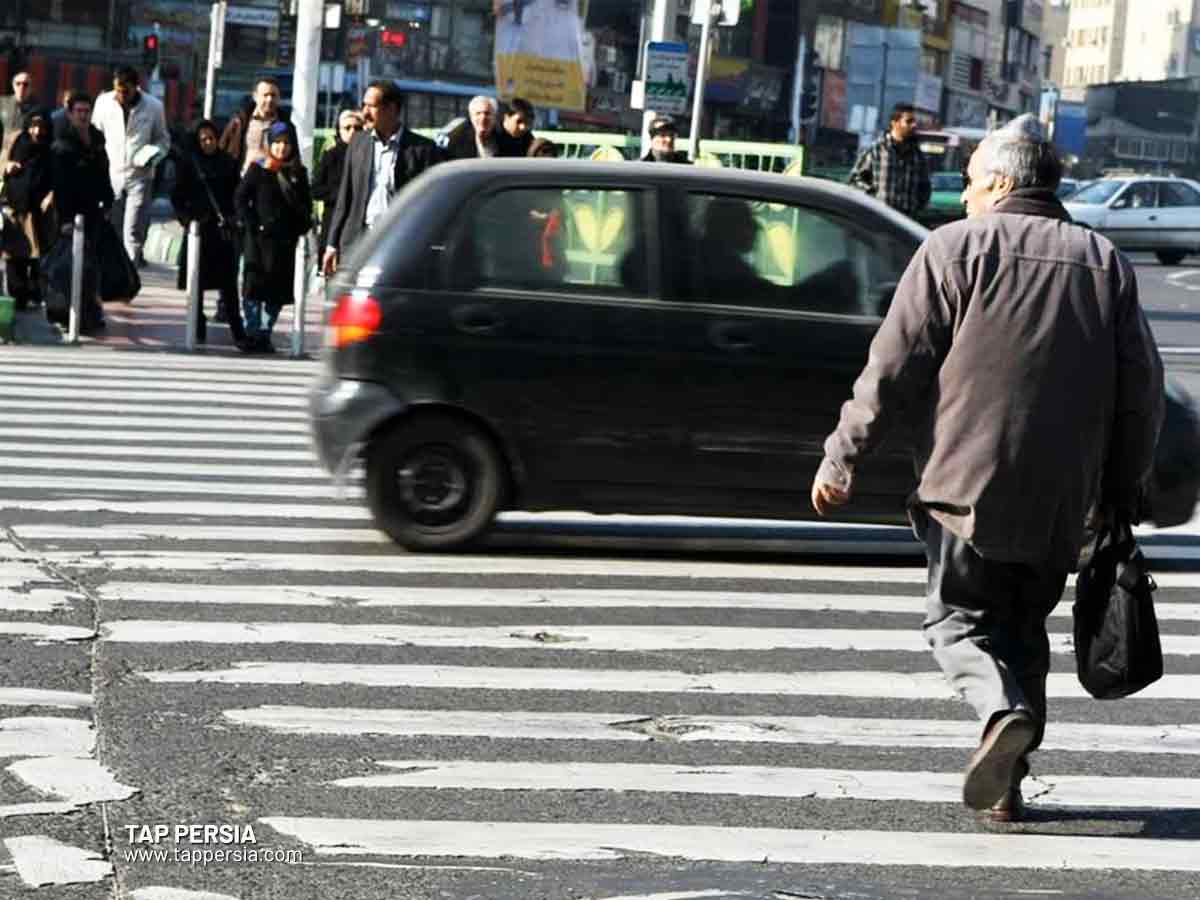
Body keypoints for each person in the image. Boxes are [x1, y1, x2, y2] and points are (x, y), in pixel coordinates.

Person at [810, 114, 1164, 822]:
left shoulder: (954, 249)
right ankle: (1008, 785)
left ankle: (1000, 712)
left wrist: (843, 456)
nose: (966, 197)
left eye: (972, 184)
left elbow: (892, 367)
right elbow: (1141, 392)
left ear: (1001, 183)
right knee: (1023, 628)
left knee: (959, 624)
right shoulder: (1104, 262)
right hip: (1064, 497)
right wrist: (1119, 493)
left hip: (964, 488)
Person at [322, 81, 440, 276]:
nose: (364, 113)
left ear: (392, 109)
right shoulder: (358, 143)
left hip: (399, 243)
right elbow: (345, 197)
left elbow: (430, 205)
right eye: (363, 105)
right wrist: (331, 244)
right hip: (357, 242)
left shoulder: (423, 150)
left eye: (372, 106)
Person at [234, 121, 312, 352]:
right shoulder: (258, 167)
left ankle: (265, 333)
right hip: (257, 240)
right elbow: (240, 198)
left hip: (284, 242)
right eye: (277, 142)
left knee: (276, 290)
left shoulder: (299, 172)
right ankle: (253, 331)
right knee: (253, 286)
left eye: (287, 143)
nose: (281, 148)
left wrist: (297, 230)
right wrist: (251, 224)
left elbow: (305, 206)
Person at [170, 119, 247, 348]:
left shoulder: (228, 163)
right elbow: (177, 196)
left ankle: (238, 331)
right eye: (202, 139)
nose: (208, 143)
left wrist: (235, 218)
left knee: (229, 285)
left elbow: (238, 193)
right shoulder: (189, 164)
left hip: (222, 233)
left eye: (211, 138)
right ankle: (198, 326)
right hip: (198, 232)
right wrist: (187, 221)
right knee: (197, 284)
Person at [91, 66, 170, 266]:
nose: (120, 95)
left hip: (140, 176)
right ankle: (110, 272)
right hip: (110, 175)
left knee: (133, 231)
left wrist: (152, 156)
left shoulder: (154, 107)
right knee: (111, 226)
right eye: (117, 90)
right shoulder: (103, 103)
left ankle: (130, 274)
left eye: (125, 91)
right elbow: (94, 136)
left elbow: (163, 140)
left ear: (137, 87)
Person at [50, 92, 113, 332]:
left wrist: (108, 201)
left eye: (87, 111)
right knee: (71, 266)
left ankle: (90, 312)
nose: (83, 115)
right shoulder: (62, 144)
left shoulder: (97, 140)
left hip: (94, 212)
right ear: (70, 114)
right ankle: (68, 314)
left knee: (92, 267)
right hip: (71, 215)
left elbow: (104, 172)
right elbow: (60, 186)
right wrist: (65, 219)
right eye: (79, 111)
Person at [0, 106, 56, 310]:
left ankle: (34, 294)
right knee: (14, 256)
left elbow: (57, 178)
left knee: (36, 257)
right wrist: (6, 168)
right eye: (33, 126)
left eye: (41, 127)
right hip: (14, 208)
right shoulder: (16, 141)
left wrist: (50, 197)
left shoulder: (51, 149)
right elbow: (2, 162)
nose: (37, 132)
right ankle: (17, 297)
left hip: (38, 213)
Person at [848, 102, 931, 218]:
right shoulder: (876, 150)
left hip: (908, 222)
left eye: (914, 121)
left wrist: (917, 206)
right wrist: (873, 197)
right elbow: (855, 180)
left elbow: (925, 187)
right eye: (909, 121)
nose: (914, 125)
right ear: (895, 123)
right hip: (880, 220)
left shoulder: (918, 155)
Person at [311, 109, 362, 253]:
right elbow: (315, 189)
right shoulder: (331, 155)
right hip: (333, 221)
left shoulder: (369, 155)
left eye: (357, 128)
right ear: (339, 131)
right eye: (347, 128)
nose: (352, 131)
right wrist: (340, 194)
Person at [221, 79, 296, 175]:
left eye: (273, 95)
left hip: (272, 182)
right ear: (255, 96)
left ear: (279, 98)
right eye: (265, 95)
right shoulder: (240, 121)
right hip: (242, 181)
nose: (269, 99)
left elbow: (293, 158)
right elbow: (224, 150)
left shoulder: (285, 124)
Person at [441, 95, 516, 160]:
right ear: (471, 117)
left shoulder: (506, 141)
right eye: (478, 113)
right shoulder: (456, 142)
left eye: (487, 113)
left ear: (494, 117)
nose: (483, 118)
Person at [0, 72, 38, 169]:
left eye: (25, 84)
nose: (21, 87)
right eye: (18, 83)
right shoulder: (2, 103)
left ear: (30, 88)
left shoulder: (36, 109)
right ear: (13, 85)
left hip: (21, 161)